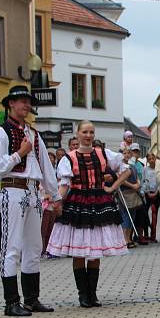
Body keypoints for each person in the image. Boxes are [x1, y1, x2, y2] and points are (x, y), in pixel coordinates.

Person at [0, 85, 61, 317]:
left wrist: (56, 195)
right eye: (21, 101)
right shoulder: (1, 131)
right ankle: (11, 302)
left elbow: (46, 167)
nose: (26, 105)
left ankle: (31, 299)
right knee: (12, 246)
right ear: (10, 103)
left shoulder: (33, 134)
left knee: (34, 246)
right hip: (12, 189)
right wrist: (19, 153)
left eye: (28, 101)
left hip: (33, 191)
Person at [47, 120, 129, 307]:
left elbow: (125, 170)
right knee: (78, 251)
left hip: (99, 201)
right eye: (85, 132)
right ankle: (83, 294)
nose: (88, 135)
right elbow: (65, 184)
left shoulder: (103, 153)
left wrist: (112, 188)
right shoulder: (69, 158)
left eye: (91, 132)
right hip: (78, 203)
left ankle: (92, 294)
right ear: (77, 134)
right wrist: (57, 200)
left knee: (95, 250)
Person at [118, 147, 143, 248]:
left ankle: (129, 237)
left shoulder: (132, 166)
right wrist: (133, 186)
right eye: (124, 153)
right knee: (126, 216)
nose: (127, 155)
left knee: (132, 215)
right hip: (124, 193)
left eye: (128, 153)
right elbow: (121, 179)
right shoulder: (119, 166)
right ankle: (124, 239)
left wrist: (138, 184)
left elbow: (137, 177)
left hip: (133, 193)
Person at [142, 153, 160, 244]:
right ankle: (145, 234)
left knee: (154, 214)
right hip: (147, 193)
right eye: (150, 159)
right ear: (147, 160)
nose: (152, 160)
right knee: (145, 214)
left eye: (153, 158)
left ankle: (153, 235)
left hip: (156, 193)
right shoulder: (145, 169)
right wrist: (147, 192)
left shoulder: (158, 169)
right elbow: (144, 181)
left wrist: (157, 192)